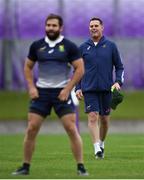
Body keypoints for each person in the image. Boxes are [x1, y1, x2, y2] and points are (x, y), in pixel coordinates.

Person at [12, 14, 88, 176]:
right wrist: (31, 87)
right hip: (41, 93)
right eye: (48, 25)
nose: (50, 28)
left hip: (62, 92)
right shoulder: (37, 46)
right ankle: (25, 167)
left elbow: (80, 69)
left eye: (54, 26)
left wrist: (67, 89)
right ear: (45, 27)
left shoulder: (69, 46)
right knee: (31, 128)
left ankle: (81, 167)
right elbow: (27, 68)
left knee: (71, 128)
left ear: (61, 28)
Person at [76, 17, 124, 159]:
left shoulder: (111, 46)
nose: (94, 28)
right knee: (92, 117)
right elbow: (77, 70)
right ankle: (97, 149)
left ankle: (102, 143)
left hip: (106, 89)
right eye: (91, 26)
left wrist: (118, 82)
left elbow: (120, 67)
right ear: (89, 28)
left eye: (96, 25)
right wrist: (77, 87)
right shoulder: (83, 47)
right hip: (89, 89)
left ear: (102, 27)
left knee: (104, 120)